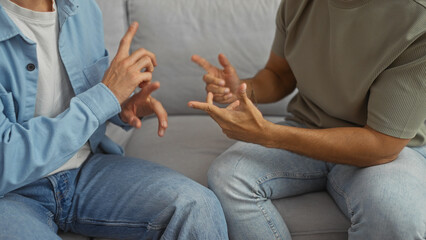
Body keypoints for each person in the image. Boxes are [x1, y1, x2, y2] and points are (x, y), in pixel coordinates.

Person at [189, 0, 426, 239]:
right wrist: (241, 89)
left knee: (398, 218)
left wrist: (270, 135)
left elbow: (382, 146)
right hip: (309, 124)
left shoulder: (417, 19)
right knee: (226, 176)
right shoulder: (298, 4)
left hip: (389, 149)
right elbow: (279, 75)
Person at [0, 0, 228, 239]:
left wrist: (121, 106)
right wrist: (106, 95)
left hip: (85, 170)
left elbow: (91, 92)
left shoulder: (83, 7)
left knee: (197, 206)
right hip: (12, 193)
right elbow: (6, 160)